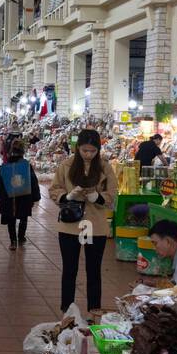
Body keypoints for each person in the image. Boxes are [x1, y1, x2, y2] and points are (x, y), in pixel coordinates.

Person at [50, 129, 118, 316]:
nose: (88, 155)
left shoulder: (105, 167)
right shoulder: (66, 165)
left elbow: (113, 194)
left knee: (94, 270)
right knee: (69, 270)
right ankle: (67, 311)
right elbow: (54, 189)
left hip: (95, 226)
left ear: (98, 150)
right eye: (84, 150)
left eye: (92, 151)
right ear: (77, 147)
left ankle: (94, 312)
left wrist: (99, 197)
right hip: (70, 225)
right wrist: (67, 196)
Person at [0, 139, 41, 251]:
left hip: (9, 197)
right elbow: (33, 181)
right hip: (24, 197)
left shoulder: (5, 166)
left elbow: (0, 182)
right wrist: (35, 197)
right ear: (23, 152)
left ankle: (13, 241)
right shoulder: (26, 165)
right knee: (23, 216)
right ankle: (21, 236)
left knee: (11, 218)